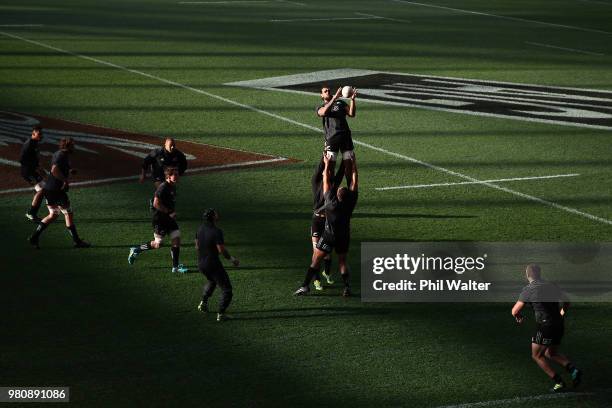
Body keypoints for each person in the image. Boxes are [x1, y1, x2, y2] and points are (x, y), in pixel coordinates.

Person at [511, 264, 582, 393]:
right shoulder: (552, 285)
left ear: (527, 275)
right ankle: (573, 369)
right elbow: (567, 301)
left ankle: (559, 382)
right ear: (539, 274)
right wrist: (561, 313)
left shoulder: (528, 289)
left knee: (537, 355)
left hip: (545, 326)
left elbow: (514, 310)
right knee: (551, 353)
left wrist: (518, 316)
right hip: (559, 324)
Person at [295, 154, 358, 297]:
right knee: (342, 262)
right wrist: (352, 165)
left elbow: (326, 180)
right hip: (344, 236)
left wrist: (327, 163)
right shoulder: (350, 203)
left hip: (329, 236)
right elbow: (354, 181)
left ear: (337, 195)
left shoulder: (330, 202)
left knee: (316, 259)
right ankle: (347, 287)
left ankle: (305, 286)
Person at [28, 137, 90, 249]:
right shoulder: (62, 155)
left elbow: (60, 167)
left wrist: (70, 171)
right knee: (68, 213)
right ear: (68, 146)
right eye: (73, 145)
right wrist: (65, 180)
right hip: (57, 190)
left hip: (49, 189)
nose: (74, 147)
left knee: (53, 214)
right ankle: (77, 241)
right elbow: (54, 169)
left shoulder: (59, 154)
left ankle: (34, 237)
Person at [128, 167, 188, 273]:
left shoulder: (172, 186)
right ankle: (136, 249)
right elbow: (156, 203)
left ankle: (175, 267)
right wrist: (169, 212)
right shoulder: (163, 187)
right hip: (160, 220)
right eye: (175, 174)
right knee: (158, 244)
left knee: (176, 239)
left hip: (169, 219)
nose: (177, 176)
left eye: (178, 174)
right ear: (168, 176)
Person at [310, 154, 351, 290]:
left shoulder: (332, 187)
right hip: (317, 221)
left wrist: (344, 158)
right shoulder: (316, 184)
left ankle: (326, 272)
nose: (327, 173)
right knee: (316, 252)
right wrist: (324, 158)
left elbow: (340, 173)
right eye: (326, 172)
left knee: (327, 255)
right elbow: (318, 171)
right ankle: (316, 280)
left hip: (328, 223)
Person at [195, 208, 239, 322]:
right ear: (213, 217)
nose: (217, 214)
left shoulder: (200, 229)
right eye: (215, 213)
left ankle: (203, 303)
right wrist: (232, 259)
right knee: (227, 289)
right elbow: (221, 250)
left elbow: (197, 246)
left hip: (201, 263)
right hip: (212, 263)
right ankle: (221, 314)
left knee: (212, 281)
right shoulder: (216, 231)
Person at [140, 138, 188, 209]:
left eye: (174, 145)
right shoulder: (157, 153)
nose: (172, 147)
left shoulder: (178, 154)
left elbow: (184, 164)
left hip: (169, 177)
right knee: (163, 189)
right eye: (170, 145)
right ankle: (157, 205)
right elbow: (145, 162)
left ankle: (157, 201)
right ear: (165, 144)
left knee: (171, 192)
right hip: (158, 176)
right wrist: (143, 175)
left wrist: (178, 174)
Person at [317, 85, 357, 165]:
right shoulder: (321, 106)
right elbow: (323, 112)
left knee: (349, 164)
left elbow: (351, 114)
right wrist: (334, 98)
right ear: (321, 95)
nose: (328, 92)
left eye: (329, 90)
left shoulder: (341, 103)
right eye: (325, 91)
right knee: (329, 166)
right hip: (332, 137)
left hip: (345, 136)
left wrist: (352, 100)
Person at [20, 125, 45, 222]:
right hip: (28, 172)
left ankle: (33, 212)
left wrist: (38, 165)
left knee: (44, 188)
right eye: (39, 134)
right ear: (33, 133)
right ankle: (31, 213)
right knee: (42, 191)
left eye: (42, 134)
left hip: (32, 171)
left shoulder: (35, 142)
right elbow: (22, 160)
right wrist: (34, 166)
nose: (41, 136)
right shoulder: (29, 144)